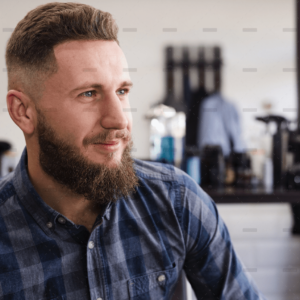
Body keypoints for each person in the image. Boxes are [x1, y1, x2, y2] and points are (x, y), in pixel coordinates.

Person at [1, 2, 265, 299]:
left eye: (122, 91)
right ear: (23, 111)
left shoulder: (177, 201)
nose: (119, 119)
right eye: (88, 93)